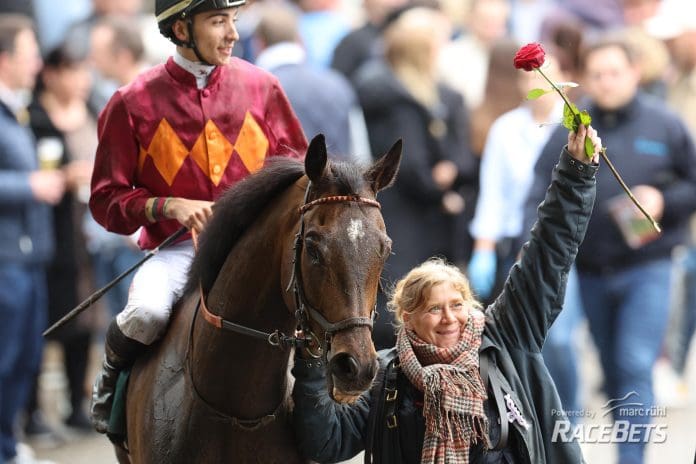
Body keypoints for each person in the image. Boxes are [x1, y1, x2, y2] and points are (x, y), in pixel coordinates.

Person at [292, 125, 602, 463]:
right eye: (434, 309)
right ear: (407, 318)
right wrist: (308, 361)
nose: (449, 318)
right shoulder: (386, 379)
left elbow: (548, 253)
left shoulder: (508, 341)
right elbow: (325, 443)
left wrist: (576, 173)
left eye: (457, 305)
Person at [88, 0, 307, 434]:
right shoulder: (130, 103)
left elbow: (298, 173)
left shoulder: (264, 88)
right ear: (182, 29)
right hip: (175, 253)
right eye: (218, 21)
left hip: (253, 252)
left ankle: (321, 417)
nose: (233, 34)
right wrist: (166, 205)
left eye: (234, 20)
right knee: (146, 313)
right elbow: (105, 201)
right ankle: (110, 382)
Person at [525, 33, 696, 464]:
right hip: (588, 271)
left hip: (649, 267)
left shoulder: (665, 123)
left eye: (614, 73)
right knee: (611, 365)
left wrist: (663, 200)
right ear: (585, 79)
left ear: (635, 73)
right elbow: (538, 190)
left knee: (635, 362)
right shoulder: (575, 126)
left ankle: (631, 459)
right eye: (596, 75)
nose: (605, 82)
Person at [353, 7, 477, 348]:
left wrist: (449, 174)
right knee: (405, 306)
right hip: (405, 219)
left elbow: (459, 154)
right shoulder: (390, 94)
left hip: (429, 219)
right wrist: (440, 190)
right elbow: (408, 165)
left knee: (432, 307)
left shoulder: (442, 94)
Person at [0, 14, 64, 464]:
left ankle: (6, 442)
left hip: (28, 257)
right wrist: (32, 186)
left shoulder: (16, 109)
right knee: (6, 360)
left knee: (25, 359)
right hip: (5, 260)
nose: (38, 63)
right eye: (30, 54)